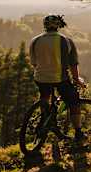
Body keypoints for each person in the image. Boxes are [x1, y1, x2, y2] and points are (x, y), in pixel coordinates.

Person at [29, 14, 86, 142]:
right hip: (60, 79)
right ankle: (78, 132)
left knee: (45, 97)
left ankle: (45, 117)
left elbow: (34, 63)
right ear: (58, 26)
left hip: (40, 78)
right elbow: (73, 64)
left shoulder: (35, 41)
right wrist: (77, 80)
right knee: (74, 101)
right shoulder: (66, 41)